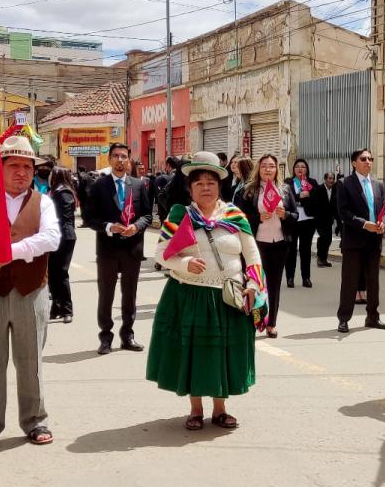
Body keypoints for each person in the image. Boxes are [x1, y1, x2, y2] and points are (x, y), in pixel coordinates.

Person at [148, 151, 267, 430]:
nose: (205, 187)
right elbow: (161, 255)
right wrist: (186, 262)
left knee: (224, 353)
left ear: (219, 185)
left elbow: (252, 256)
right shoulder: (180, 216)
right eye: (199, 182)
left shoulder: (235, 216)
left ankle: (221, 409)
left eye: (211, 182)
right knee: (196, 353)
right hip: (191, 295)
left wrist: (253, 285)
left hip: (229, 297)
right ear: (190, 187)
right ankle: (195, 409)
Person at [0, 135, 61, 453]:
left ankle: (35, 421)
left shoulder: (43, 202)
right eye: (14, 165)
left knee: (30, 360)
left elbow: (50, 239)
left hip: (30, 291)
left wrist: (10, 251)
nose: (21, 172)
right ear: (0, 168)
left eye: (27, 166)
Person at [84, 143, 153, 355]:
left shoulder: (139, 185)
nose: (120, 160)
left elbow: (148, 215)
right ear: (109, 160)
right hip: (108, 249)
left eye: (124, 156)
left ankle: (128, 335)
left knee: (129, 295)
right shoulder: (99, 185)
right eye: (116, 156)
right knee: (106, 294)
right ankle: (105, 337)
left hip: (132, 249)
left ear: (129, 160)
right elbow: (88, 217)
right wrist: (107, 227)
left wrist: (137, 226)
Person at [234, 154, 298, 338]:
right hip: (256, 245)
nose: (268, 169)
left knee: (274, 285)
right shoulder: (248, 191)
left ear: (277, 169)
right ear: (258, 169)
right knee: (255, 284)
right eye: (264, 166)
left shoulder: (284, 190)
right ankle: (253, 320)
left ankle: (271, 323)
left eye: (271, 166)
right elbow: (239, 218)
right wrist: (257, 218)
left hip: (279, 244)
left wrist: (285, 214)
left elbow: (295, 216)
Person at [335, 149, 385, 333]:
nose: (368, 162)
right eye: (363, 159)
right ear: (353, 163)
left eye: (370, 159)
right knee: (349, 281)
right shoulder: (344, 184)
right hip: (354, 241)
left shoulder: (378, 184)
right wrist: (365, 224)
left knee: (373, 281)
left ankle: (373, 317)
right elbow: (343, 212)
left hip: (374, 241)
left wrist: (383, 222)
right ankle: (343, 318)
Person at [47, 166, 78, 324]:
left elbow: (63, 217)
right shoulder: (55, 191)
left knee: (61, 273)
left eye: (52, 174)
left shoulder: (64, 193)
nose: (49, 176)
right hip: (54, 236)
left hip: (64, 237)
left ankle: (67, 310)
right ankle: (56, 307)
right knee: (52, 273)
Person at [286, 158, 321, 288]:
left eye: (303, 167)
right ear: (294, 169)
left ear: (307, 169)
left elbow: (317, 200)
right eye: (297, 167)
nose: (300, 169)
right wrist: (298, 197)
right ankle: (290, 277)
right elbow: (284, 200)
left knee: (305, 250)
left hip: (308, 220)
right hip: (292, 220)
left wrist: (308, 196)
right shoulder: (288, 183)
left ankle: (306, 278)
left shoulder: (312, 183)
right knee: (291, 250)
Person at [316, 172, 339, 268]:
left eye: (333, 178)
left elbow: (335, 204)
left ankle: (324, 259)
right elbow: (315, 204)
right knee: (323, 237)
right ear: (325, 179)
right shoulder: (319, 189)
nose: (331, 180)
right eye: (329, 178)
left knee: (328, 239)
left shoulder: (334, 189)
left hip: (329, 219)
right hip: (320, 219)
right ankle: (319, 258)